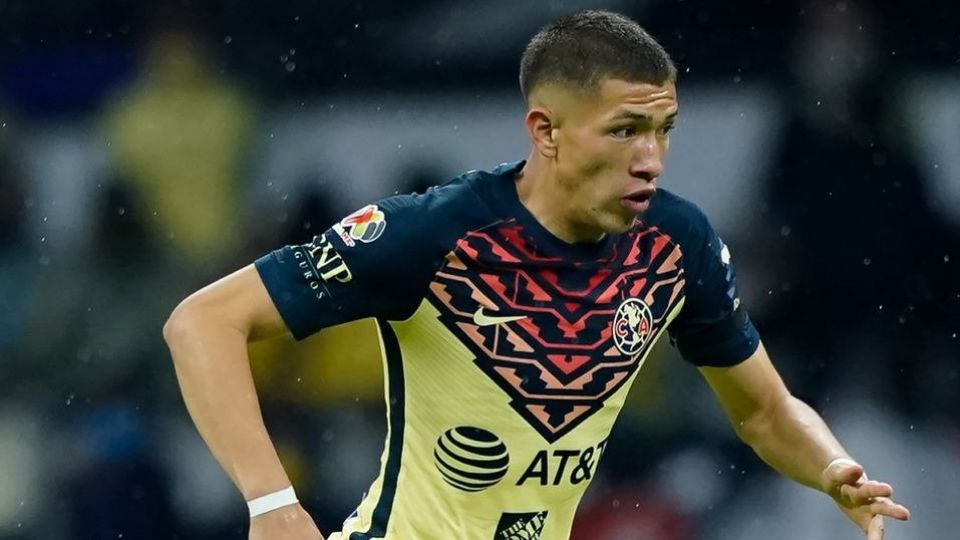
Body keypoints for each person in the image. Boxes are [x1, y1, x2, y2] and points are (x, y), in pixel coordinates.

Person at [164, 10, 910, 540]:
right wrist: (272, 504)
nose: (651, 159)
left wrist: (831, 468)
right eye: (625, 130)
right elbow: (201, 322)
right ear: (545, 131)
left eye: (663, 130)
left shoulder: (675, 244)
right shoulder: (435, 232)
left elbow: (766, 411)